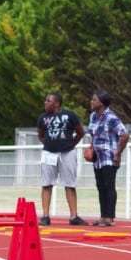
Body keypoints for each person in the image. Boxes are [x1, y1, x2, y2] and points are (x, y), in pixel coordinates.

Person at [37, 91, 87, 225]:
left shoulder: (70, 115)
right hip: (48, 154)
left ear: (57, 103)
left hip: (67, 153)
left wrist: (70, 144)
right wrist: (50, 144)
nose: (45, 103)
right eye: (46, 100)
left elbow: (80, 132)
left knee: (70, 184)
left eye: (49, 101)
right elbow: (40, 135)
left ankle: (73, 216)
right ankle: (45, 216)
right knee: (46, 184)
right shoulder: (42, 118)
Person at [87, 91, 129, 226]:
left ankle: (110, 217)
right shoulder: (93, 116)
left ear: (101, 103)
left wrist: (118, 153)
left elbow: (124, 134)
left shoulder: (111, 118)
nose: (91, 102)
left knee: (109, 186)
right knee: (100, 186)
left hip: (109, 157)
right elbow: (93, 134)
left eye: (94, 100)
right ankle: (103, 215)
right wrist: (91, 147)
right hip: (97, 158)